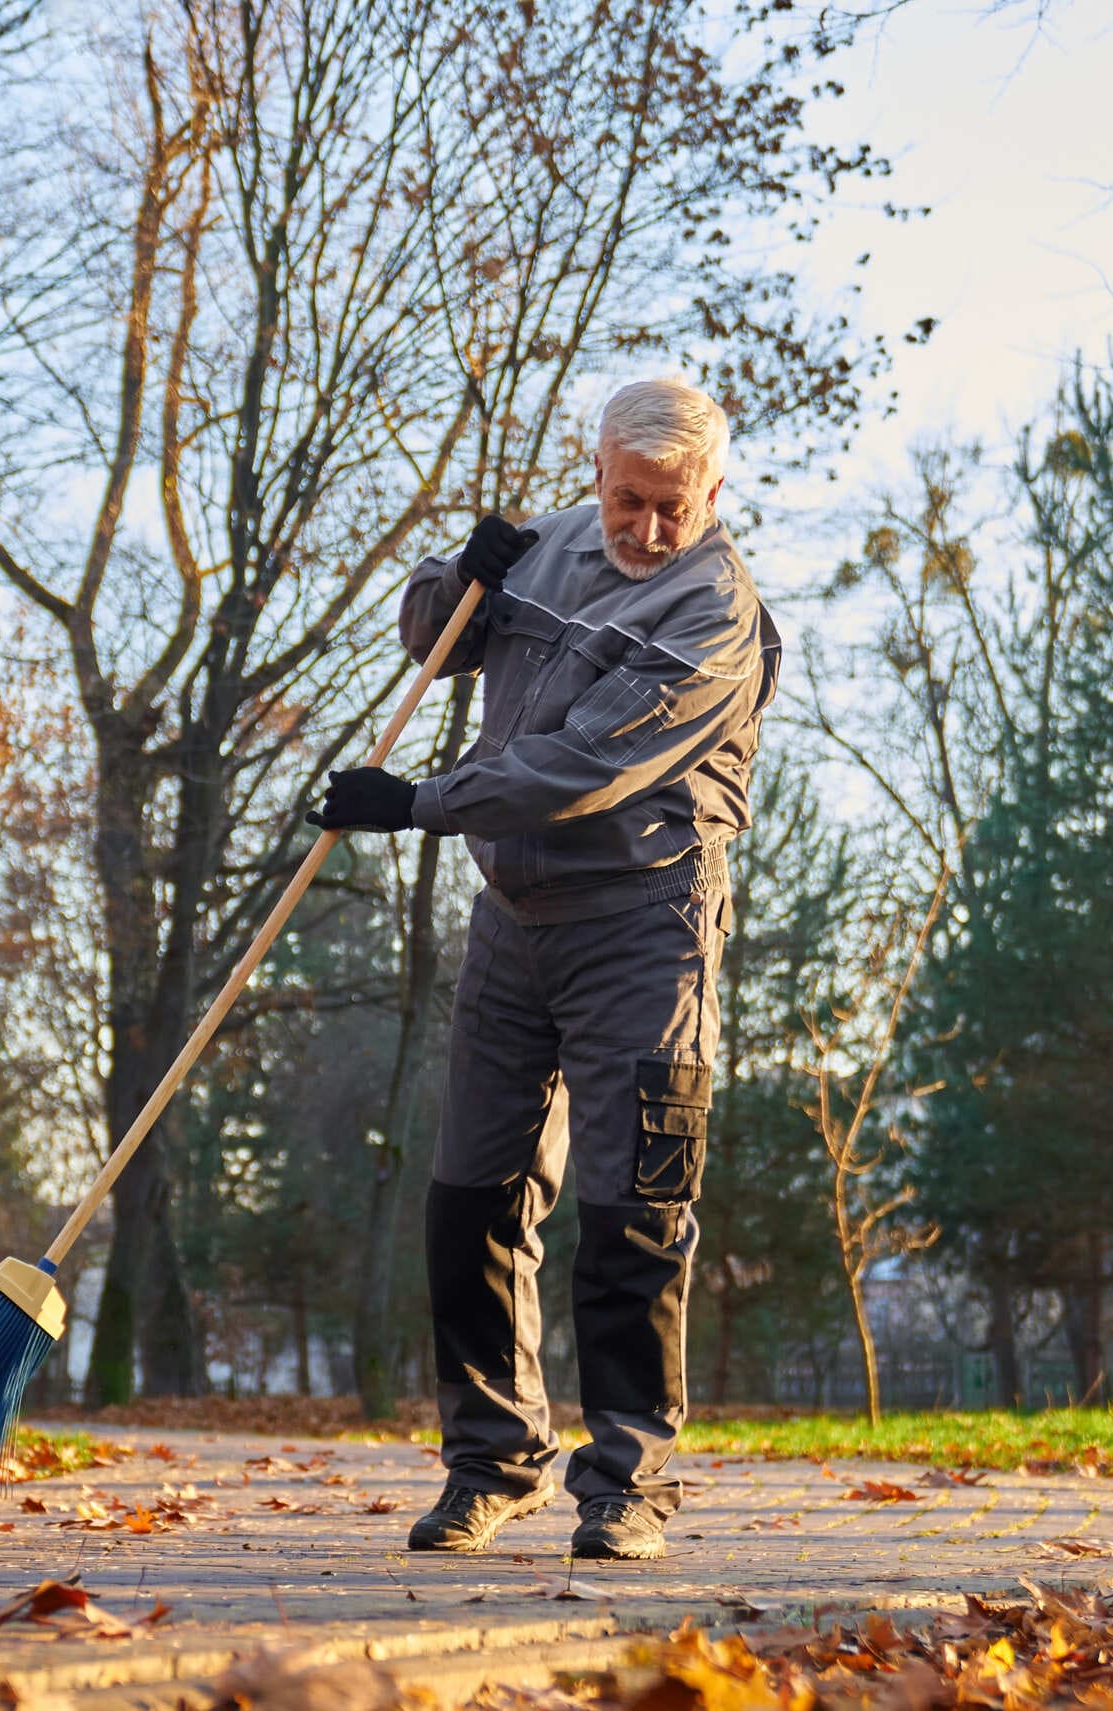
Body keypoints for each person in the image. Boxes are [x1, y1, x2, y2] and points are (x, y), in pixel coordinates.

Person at [309, 377, 778, 1562]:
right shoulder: (552, 546)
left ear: (711, 492)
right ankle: (492, 1458)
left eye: (671, 506)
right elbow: (432, 644)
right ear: (597, 473)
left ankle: (625, 1481)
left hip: (643, 920)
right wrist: (454, 582)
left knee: (633, 1205)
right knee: (470, 1194)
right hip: (512, 919)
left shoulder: (713, 611)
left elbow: (580, 767)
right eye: (626, 499)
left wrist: (417, 802)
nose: (645, 529)